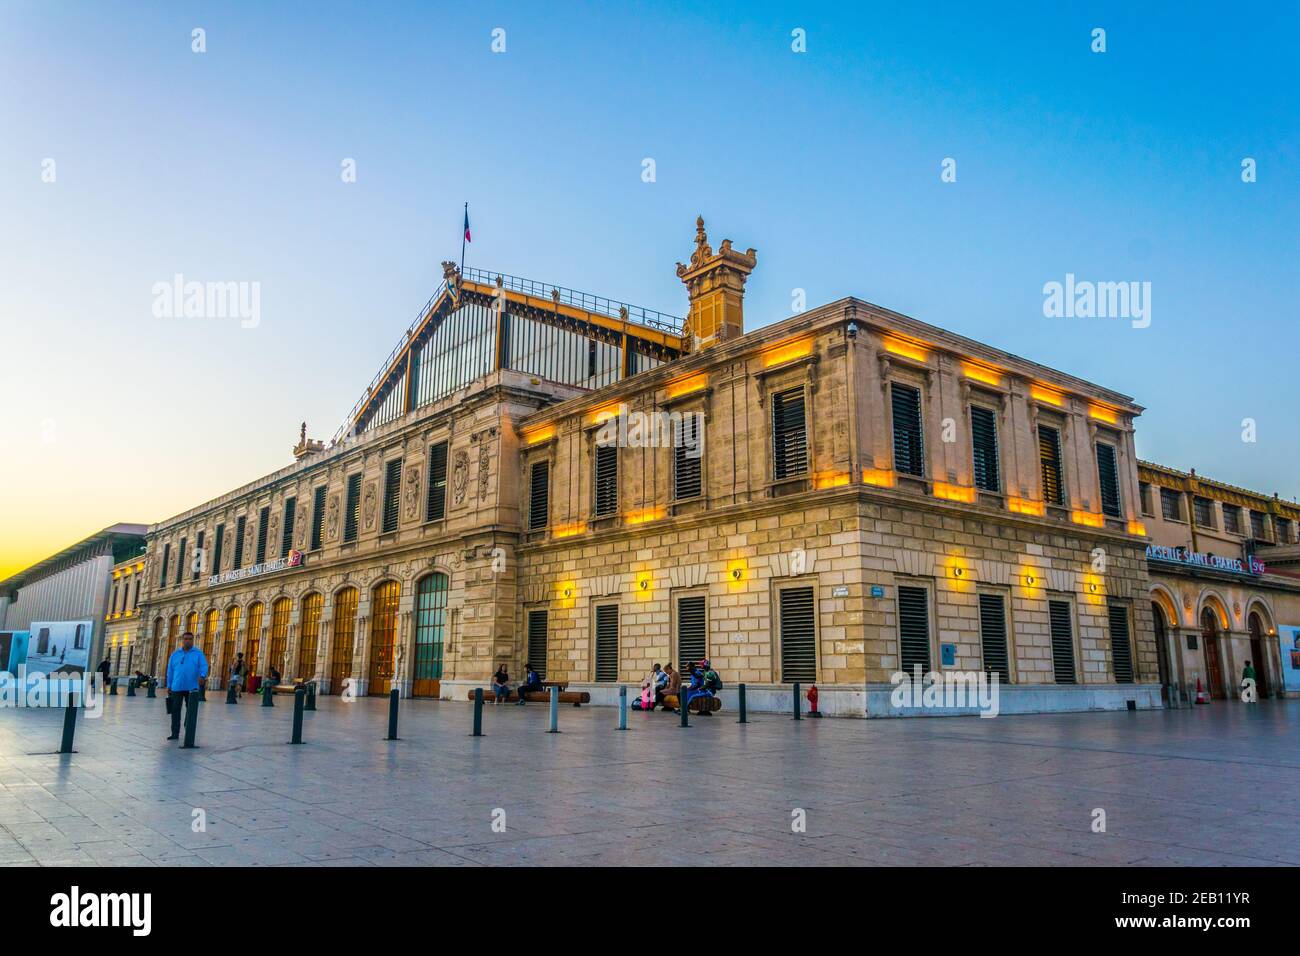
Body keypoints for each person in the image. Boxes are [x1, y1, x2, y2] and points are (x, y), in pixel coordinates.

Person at [164, 631, 209, 742]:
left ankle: (188, 729)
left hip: (192, 688)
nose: (187, 641)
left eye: (190, 639)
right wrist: (169, 685)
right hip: (176, 687)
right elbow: (170, 670)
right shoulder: (175, 654)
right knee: (175, 711)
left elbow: (204, 666)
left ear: (193, 640)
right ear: (182, 640)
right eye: (185, 639)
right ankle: (174, 733)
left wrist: (202, 676)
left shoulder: (198, 654)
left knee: (191, 711)